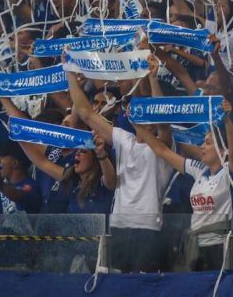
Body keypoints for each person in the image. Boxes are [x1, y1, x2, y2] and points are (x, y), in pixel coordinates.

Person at [65, 66, 174, 272]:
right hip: (119, 224)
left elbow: (163, 120)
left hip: (148, 227)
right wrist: (69, 72)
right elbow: (86, 113)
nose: (133, 112)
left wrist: (152, 78)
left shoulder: (162, 146)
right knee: (116, 286)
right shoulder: (124, 139)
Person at [134, 99, 233, 271]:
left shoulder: (231, 172)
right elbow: (162, 150)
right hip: (196, 247)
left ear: (223, 150)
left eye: (208, 143)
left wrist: (227, 120)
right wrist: (137, 124)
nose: (202, 147)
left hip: (222, 246)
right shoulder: (199, 170)